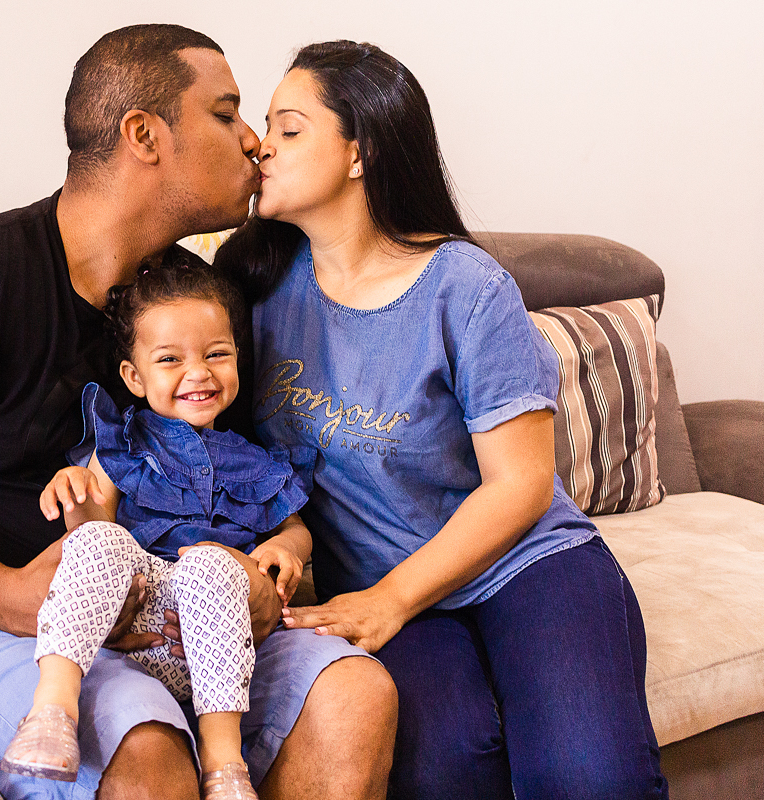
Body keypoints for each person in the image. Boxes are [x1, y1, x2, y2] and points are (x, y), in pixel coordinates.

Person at [0, 24, 396, 800]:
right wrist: (8, 596)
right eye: (226, 113)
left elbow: (241, 477)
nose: (254, 139)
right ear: (145, 135)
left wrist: (264, 578)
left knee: (355, 696)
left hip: (181, 605)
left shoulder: (197, 302)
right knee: (145, 748)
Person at [216, 40, 669, 799]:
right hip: (378, 582)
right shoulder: (253, 285)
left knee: (587, 777)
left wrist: (390, 601)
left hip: (525, 565)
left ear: (359, 153)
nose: (262, 145)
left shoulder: (466, 286)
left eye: (289, 129)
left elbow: (521, 485)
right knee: (446, 765)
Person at [3, 261, 333, 800]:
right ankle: (52, 712)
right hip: (135, 620)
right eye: (170, 359)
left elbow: (296, 528)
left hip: (217, 630)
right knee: (98, 542)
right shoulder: (121, 446)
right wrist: (76, 496)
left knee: (210, 559)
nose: (198, 372)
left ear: (237, 361)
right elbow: (94, 534)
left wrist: (284, 549)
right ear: (134, 376)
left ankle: (225, 766)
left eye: (216, 354)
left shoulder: (255, 460)